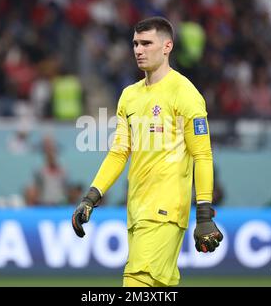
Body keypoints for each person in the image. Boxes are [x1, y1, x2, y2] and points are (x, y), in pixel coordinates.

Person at [71, 17, 223, 287]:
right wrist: (91, 197)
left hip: (165, 209)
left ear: (167, 47)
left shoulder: (185, 93)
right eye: (135, 44)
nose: (138, 50)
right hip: (136, 210)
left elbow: (202, 155)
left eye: (146, 43)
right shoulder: (129, 96)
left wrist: (203, 213)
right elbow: (119, 153)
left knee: (136, 284)